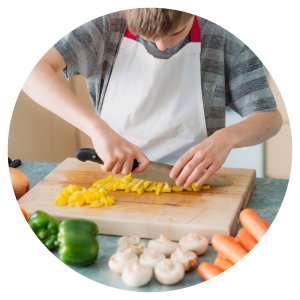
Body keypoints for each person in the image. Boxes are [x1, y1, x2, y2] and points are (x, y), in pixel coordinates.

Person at [22, 8, 282, 189]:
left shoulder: (227, 37)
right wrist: (97, 130)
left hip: (193, 183)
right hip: (113, 178)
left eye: (176, 34)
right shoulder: (104, 24)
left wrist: (227, 138)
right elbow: (31, 70)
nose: (162, 46)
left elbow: (269, 118)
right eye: (146, 36)